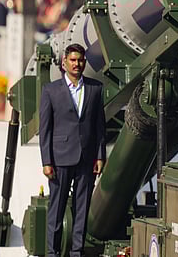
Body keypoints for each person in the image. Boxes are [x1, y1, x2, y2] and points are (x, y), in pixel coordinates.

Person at [39, 43, 107, 257]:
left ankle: (77, 251)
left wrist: (100, 156)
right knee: (56, 209)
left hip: (86, 158)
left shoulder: (95, 89)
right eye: (73, 60)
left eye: (80, 60)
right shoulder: (50, 90)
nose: (77, 64)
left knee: (82, 208)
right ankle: (52, 252)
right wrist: (46, 161)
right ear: (64, 63)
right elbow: (45, 129)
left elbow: (99, 126)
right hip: (59, 159)